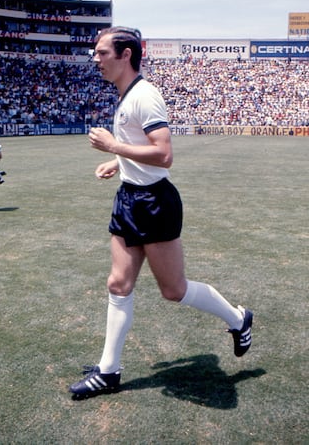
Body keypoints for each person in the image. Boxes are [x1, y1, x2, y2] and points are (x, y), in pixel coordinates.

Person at [69, 27, 253, 399]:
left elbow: (164, 154)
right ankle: (109, 371)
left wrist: (112, 146)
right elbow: (141, 149)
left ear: (125, 55)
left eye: (102, 52)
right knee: (118, 284)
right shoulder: (126, 95)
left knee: (174, 290)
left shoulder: (146, 96)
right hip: (130, 197)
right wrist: (119, 163)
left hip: (154, 203)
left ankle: (238, 318)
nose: (96, 59)